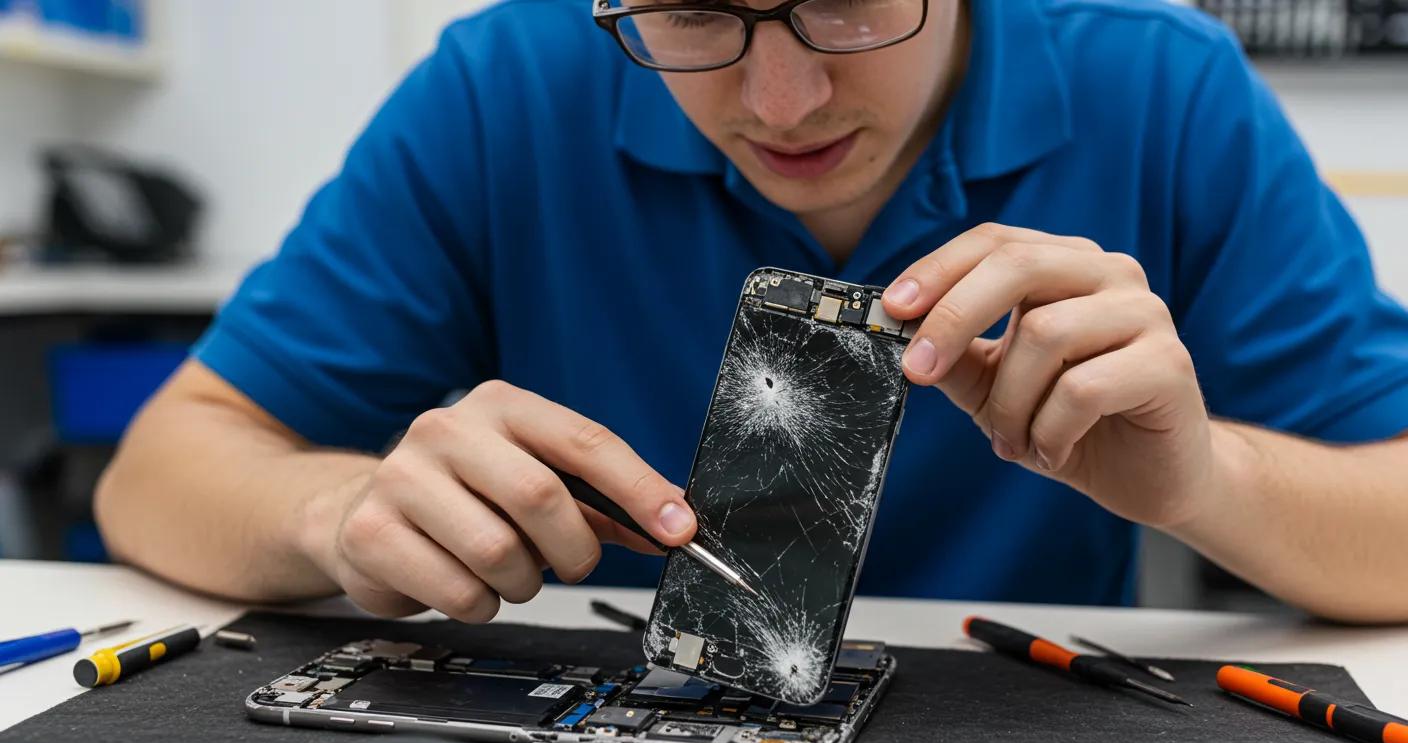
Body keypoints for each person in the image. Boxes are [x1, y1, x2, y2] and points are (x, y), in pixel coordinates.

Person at [97, 0, 1408, 624]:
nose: (779, 103)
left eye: (844, 0)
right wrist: (341, 514)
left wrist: (1207, 485)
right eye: (687, 7)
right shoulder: (505, 85)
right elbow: (160, 471)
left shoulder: (1164, 91)